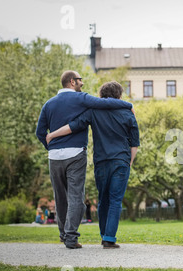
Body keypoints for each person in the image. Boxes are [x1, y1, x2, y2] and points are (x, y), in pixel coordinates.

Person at [36, 71, 133, 249]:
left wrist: (50, 145)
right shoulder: (81, 98)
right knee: (75, 197)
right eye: (80, 80)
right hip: (76, 154)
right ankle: (72, 237)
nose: (83, 84)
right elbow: (106, 102)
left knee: (59, 197)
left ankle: (63, 235)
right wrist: (128, 105)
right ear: (72, 82)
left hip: (55, 156)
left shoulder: (48, 104)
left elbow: (40, 132)